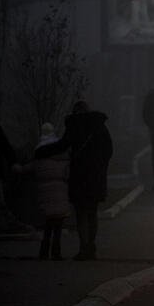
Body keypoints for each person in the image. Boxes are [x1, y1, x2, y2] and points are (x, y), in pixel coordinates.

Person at [35, 101, 113, 261]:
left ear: (75, 112)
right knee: (92, 213)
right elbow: (109, 150)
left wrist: (41, 151)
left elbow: (61, 146)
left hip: (79, 176)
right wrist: (100, 166)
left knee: (81, 213)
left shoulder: (74, 126)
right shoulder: (100, 126)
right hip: (96, 177)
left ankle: (83, 248)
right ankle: (91, 246)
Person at [27, 123, 70, 260]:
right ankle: (56, 253)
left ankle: (44, 252)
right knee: (58, 226)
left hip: (45, 193)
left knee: (48, 226)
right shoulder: (61, 155)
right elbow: (67, 172)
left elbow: (29, 168)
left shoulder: (40, 152)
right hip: (61, 192)